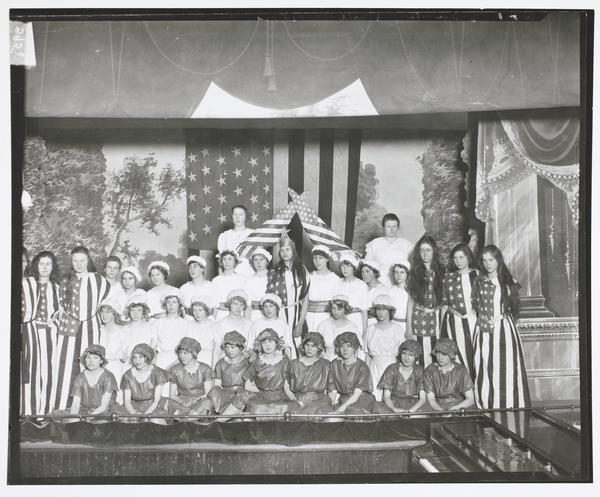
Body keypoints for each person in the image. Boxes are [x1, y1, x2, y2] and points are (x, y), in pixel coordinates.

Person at [472, 245, 530, 409]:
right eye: (484, 261)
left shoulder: (508, 282)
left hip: (504, 328)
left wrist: (502, 319)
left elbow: (515, 307)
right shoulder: (478, 281)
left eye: (491, 260)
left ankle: (510, 405)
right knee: (484, 365)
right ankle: (487, 406)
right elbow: (475, 305)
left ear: (498, 260)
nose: (488, 264)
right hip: (483, 329)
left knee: (506, 366)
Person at [54, 246, 110, 410]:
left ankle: (89, 406)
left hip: (91, 326)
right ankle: (64, 405)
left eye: (82, 260)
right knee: (67, 365)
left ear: (88, 261)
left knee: (90, 362)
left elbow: (106, 303)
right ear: (71, 262)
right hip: (69, 327)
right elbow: (60, 305)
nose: (79, 264)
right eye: (75, 261)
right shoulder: (65, 281)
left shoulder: (99, 281)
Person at [21, 250, 61, 415]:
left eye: (48, 264)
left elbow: (62, 313)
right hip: (32, 333)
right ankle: (30, 412)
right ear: (36, 266)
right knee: (32, 372)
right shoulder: (27, 284)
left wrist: (53, 323)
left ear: (52, 267)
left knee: (49, 372)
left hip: (51, 335)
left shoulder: (58, 288)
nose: (44, 267)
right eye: (41, 264)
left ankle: (46, 412)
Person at [266, 230, 310, 354]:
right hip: (278, 315)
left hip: (296, 315)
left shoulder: (302, 271)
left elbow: (305, 299)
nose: (284, 253)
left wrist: (300, 324)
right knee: (279, 347)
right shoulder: (275, 271)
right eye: (282, 250)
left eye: (287, 249)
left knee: (296, 347)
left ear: (293, 251)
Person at [440, 243, 478, 380]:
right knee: (459, 355)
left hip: (473, 321)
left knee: (475, 354)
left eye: (461, 257)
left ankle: (476, 387)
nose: (458, 261)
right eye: (455, 258)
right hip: (455, 322)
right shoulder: (449, 278)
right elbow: (444, 303)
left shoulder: (477, 275)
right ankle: (462, 386)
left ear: (468, 257)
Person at [406, 235, 444, 367]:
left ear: (434, 251)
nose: (425, 254)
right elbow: (410, 302)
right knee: (420, 355)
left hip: (435, 318)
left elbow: (444, 299)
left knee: (435, 353)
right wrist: (408, 328)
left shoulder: (441, 272)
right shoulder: (414, 272)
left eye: (428, 250)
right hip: (418, 318)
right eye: (422, 250)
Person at [242, 328, 297, 415]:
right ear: (260, 345)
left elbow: (287, 387)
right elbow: (247, 386)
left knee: (289, 409)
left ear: (277, 343)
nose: (267, 345)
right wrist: (263, 392)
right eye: (264, 342)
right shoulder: (257, 362)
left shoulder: (285, 360)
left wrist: (294, 400)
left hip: (280, 399)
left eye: (270, 341)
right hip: (261, 400)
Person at [54, 345, 118, 418]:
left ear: (101, 361)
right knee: (58, 418)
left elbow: (103, 407)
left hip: (104, 413)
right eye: (88, 358)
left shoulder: (108, 377)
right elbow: (75, 405)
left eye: (95, 358)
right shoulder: (80, 378)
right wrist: (73, 419)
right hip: (84, 411)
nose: (91, 361)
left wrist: (87, 418)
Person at [364, 294, 407, 400]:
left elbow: (403, 355)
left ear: (390, 311)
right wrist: (366, 375)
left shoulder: (397, 329)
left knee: (390, 399)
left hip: (392, 368)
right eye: (378, 309)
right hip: (374, 369)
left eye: (383, 309)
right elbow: (368, 356)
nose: (380, 312)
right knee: (375, 398)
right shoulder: (370, 329)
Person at [327, 332, 376, 414]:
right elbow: (332, 391)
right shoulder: (334, 364)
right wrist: (330, 409)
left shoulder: (362, 367)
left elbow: (356, 395)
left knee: (352, 413)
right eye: (342, 346)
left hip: (361, 401)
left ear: (354, 348)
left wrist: (340, 410)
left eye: (348, 346)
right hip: (344, 401)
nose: (345, 349)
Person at [205, 331, 251, 416]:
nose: (229, 350)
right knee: (214, 390)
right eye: (227, 347)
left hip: (241, 395)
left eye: (232, 347)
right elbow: (217, 385)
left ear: (241, 348)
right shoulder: (221, 363)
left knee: (245, 394)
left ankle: (226, 415)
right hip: (225, 396)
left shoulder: (248, 362)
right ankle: (231, 413)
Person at [117, 343, 169, 419]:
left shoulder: (158, 373)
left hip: (153, 408)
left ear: (147, 357)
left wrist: (145, 415)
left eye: (141, 357)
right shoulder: (128, 375)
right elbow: (127, 401)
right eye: (134, 357)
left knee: (156, 421)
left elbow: (156, 401)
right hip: (133, 408)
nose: (137, 361)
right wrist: (134, 413)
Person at [423, 338, 475, 411]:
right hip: (437, 410)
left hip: (459, 409)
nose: (440, 357)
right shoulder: (430, 370)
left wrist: (452, 410)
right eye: (438, 353)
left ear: (451, 355)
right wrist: (441, 412)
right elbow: (431, 399)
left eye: (444, 354)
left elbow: (470, 399)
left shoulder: (461, 370)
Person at [165, 337, 213, 416]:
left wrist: (194, 401)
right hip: (181, 403)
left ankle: (183, 416)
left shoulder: (205, 369)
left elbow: (208, 394)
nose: (182, 356)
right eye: (180, 353)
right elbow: (172, 395)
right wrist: (182, 402)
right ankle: (189, 416)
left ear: (194, 353)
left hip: (199, 402)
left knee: (208, 402)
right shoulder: (175, 369)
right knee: (163, 401)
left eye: (185, 353)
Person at [287, 332, 332, 414]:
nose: (309, 349)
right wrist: (295, 401)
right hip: (297, 401)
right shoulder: (293, 364)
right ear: (303, 346)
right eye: (307, 345)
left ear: (319, 348)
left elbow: (332, 389)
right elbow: (286, 387)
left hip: (319, 402)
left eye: (313, 346)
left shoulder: (326, 364)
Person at [377, 339, 427, 413]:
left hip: (413, 404)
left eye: (411, 355)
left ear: (416, 356)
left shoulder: (419, 370)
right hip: (393, 403)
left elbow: (423, 398)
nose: (406, 358)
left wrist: (412, 411)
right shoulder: (392, 369)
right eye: (404, 353)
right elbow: (386, 397)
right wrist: (394, 409)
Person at [365, 213, 413, 287]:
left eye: (394, 226)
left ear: (398, 227)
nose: (391, 229)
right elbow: (367, 267)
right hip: (379, 283)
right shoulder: (374, 244)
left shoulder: (407, 245)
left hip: (401, 285)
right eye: (388, 227)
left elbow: (412, 267)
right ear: (383, 227)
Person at [316, 294, 364, 361]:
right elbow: (317, 346)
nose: (336, 312)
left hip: (344, 363)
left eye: (339, 309)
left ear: (346, 309)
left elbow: (356, 352)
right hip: (326, 361)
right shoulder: (324, 324)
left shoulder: (352, 327)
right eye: (333, 308)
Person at [98, 298, 128, 402]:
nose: (104, 315)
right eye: (102, 311)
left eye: (108, 312)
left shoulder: (122, 331)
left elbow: (125, 354)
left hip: (117, 369)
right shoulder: (98, 330)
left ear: (115, 314)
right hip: (100, 367)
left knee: (117, 398)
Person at [211, 289, 252, 365]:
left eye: (241, 304)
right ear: (229, 304)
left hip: (245, 365)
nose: (238, 308)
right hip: (226, 365)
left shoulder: (250, 324)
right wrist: (214, 370)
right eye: (235, 304)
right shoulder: (219, 325)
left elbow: (251, 348)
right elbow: (217, 352)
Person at [305, 245, 340, 333]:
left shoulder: (335, 279)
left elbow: (338, 303)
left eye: (321, 258)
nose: (317, 261)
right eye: (315, 258)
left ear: (327, 259)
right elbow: (305, 300)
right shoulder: (309, 276)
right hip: (309, 317)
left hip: (326, 317)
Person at [247, 293, 294, 359]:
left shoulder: (283, 324)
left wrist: (289, 363)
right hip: (260, 361)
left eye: (271, 306)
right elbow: (250, 347)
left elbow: (287, 348)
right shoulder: (256, 324)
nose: (268, 309)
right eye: (265, 306)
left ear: (277, 308)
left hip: (279, 361)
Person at [334, 251, 368, 339]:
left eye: (348, 266)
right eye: (342, 266)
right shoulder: (337, 283)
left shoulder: (361, 285)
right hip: (340, 320)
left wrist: (364, 332)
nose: (344, 269)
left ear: (354, 268)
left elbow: (364, 311)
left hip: (355, 320)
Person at [153, 289, 187, 370]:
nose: (171, 305)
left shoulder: (185, 324)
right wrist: (153, 361)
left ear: (179, 304)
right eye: (168, 302)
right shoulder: (157, 323)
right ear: (165, 304)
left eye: (174, 302)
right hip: (160, 361)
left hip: (179, 361)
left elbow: (186, 348)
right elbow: (152, 346)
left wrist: (172, 366)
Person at [217, 204, 255, 277]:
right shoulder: (225, 236)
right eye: (235, 214)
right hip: (230, 276)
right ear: (232, 216)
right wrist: (222, 279)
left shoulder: (252, 234)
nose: (237, 217)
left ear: (245, 217)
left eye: (241, 214)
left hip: (249, 274)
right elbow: (220, 263)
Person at [121, 293, 158, 363]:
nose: (135, 314)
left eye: (139, 310)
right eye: (132, 310)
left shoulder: (151, 327)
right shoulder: (124, 329)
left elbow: (152, 349)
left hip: (146, 363)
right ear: (129, 312)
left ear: (144, 311)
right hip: (128, 364)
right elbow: (123, 353)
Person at [212, 249, 247, 321]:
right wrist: (213, 320)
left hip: (238, 315)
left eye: (230, 259)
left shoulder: (242, 279)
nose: (227, 262)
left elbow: (246, 302)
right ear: (221, 262)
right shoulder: (216, 280)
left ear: (235, 261)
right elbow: (214, 304)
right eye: (224, 259)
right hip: (221, 315)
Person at [184, 295, 216, 367]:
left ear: (206, 310)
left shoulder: (213, 325)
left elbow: (217, 350)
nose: (197, 313)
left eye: (200, 310)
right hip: (192, 361)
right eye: (194, 310)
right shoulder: (189, 325)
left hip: (209, 361)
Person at [243, 247, 271, 321]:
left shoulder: (273, 278)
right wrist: (247, 323)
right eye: (255, 260)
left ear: (267, 261)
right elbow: (247, 306)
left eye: (261, 259)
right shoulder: (249, 281)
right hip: (255, 316)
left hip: (271, 315)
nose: (258, 263)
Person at [359, 259, 389, 326]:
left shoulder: (382, 289)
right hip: (362, 323)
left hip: (375, 324)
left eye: (367, 271)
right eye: (362, 272)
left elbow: (383, 313)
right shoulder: (364, 288)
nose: (364, 274)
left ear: (375, 272)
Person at [388, 260, 410, 332]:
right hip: (393, 325)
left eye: (402, 272)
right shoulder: (390, 290)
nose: (399, 275)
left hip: (407, 326)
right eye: (396, 272)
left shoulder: (411, 291)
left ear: (407, 274)